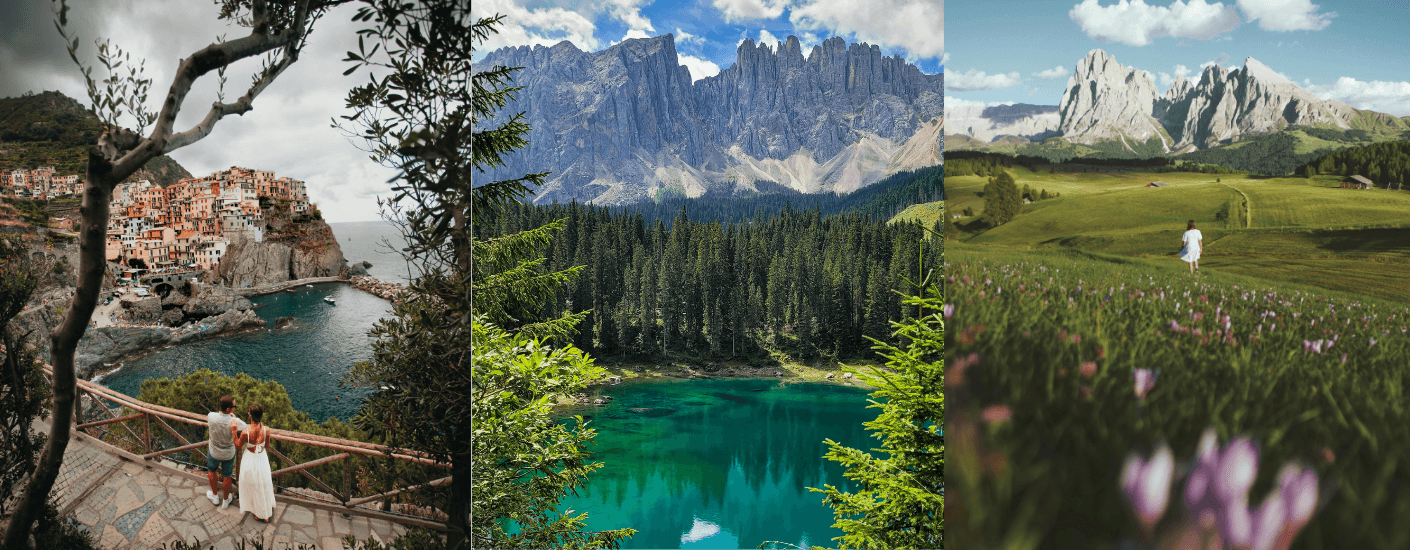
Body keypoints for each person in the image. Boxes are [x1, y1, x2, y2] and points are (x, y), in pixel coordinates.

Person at [236, 404, 277, 522]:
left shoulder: (245, 432)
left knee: (253, 484)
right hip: (262, 458)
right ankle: (265, 511)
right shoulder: (266, 430)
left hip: (250, 458)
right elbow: (267, 446)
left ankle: (259, 513)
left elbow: (238, 445)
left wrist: (234, 431)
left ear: (250, 416)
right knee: (264, 482)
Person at [205, 395, 247, 508]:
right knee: (227, 476)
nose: (235, 407)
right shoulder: (235, 421)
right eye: (234, 406)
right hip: (228, 454)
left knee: (211, 471)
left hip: (214, 451)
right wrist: (233, 417)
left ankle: (214, 497)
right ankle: (225, 500)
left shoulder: (211, 416)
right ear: (229, 409)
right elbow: (245, 427)